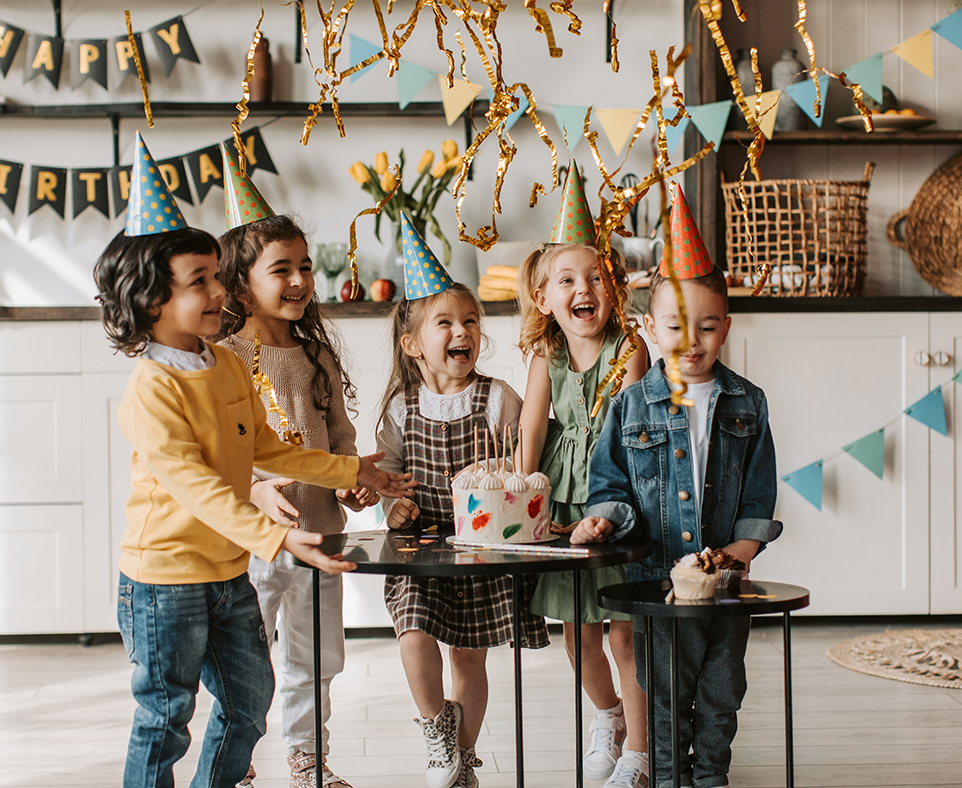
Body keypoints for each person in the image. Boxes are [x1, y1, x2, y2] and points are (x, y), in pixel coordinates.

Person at [97, 133, 416, 788]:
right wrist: (274, 534)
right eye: (201, 282)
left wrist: (349, 470)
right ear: (153, 300)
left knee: (249, 702)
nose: (219, 291)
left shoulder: (221, 363)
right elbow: (198, 486)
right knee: (166, 713)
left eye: (217, 276)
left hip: (226, 569)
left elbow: (267, 446)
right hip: (165, 578)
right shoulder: (152, 388)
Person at [571, 184, 782, 788]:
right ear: (649, 327)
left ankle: (711, 777)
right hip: (657, 583)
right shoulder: (631, 404)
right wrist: (603, 518)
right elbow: (609, 480)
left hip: (725, 586)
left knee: (722, 690)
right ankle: (667, 780)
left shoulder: (748, 403)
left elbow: (758, 493)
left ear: (726, 327)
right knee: (664, 693)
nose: (693, 341)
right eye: (677, 327)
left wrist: (741, 552)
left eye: (708, 328)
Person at [215, 163, 375, 788]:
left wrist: (350, 481)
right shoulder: (223, 361)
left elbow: (340, 443)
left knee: (316, 656)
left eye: (305, 266)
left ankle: (308, 758)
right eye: (281, 268)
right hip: (248, 542)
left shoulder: (315, 355)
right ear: (239, 284)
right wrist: (253, 487)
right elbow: (216, 458)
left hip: (321, 538)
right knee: (245, 659)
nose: (300, 279)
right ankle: (238, 759)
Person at [376, 215, 549, 788]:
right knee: (413, 631)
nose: (462, 332)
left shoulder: (498, 398)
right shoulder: (401, 407)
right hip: (420, 551)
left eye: (470, 321)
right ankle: (435, 730)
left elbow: (525, 463)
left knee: (468, 659)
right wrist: (390, 507)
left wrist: (504, 472)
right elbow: (389, 476)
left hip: (478, 552)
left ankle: (461, 760)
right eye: (445, 322)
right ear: (413, 343)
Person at [515, 161, 651, 788]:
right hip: (561, 511)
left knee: (625, 639)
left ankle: (642, 755)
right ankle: (609, 719)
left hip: (614, 504)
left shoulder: (631, 351)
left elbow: (630, 437)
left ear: (614, 289)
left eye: (595, 276)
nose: (583, 288)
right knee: (576, 637)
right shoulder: (546, 355)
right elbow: (533, 431)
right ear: (544, 297)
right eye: (566, 278)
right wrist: (522, 497)